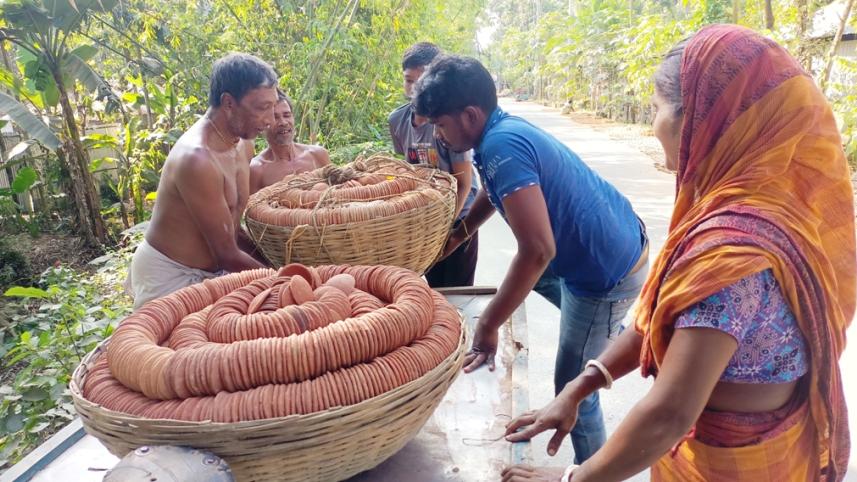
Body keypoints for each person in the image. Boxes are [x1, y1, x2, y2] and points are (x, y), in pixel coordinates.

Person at [502, 25, 854, 482]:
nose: (654, 125)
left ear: (700, 120)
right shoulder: (780, 212)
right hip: (768, 453)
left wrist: (573, 479)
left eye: (656, 109)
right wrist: (581, 385)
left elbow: (670, 413)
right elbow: (664, 319)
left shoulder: (729, 253)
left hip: (728, 468)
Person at [412, 55, 649, 463]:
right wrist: (460, 233)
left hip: (605, 272)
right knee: (532, 278)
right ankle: (613, 332)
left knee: (573, 388)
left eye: (441, 124)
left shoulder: (501, 146)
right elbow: (494, 190)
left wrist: (488, 326)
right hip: (617, 238)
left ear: (470, 116)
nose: (439, 134)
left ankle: (591, 471)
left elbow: (539, 251)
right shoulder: (497, 133)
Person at [127, 53, 278, 309]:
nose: (271, 119)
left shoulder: (244, 144)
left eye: (273, 107)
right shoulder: (198, 159)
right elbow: (227, 253)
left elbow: (232, 230)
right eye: (262, 108)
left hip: (218, 269)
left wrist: (277, 264)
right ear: (228, 103)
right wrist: (281, 278)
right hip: (170, 275)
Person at [388, 42, 479, 287]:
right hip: (424, 222)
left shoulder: (449, 122)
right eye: (408, 80)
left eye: (421, 81)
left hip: (458, 220)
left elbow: (463, 183)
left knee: (458, 293)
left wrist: (445, 229)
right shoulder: (397, 121)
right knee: (433, 290)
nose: (414, 89)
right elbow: (409, 169)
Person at [249, 89, 330, 194]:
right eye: (275, 117)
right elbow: (253, 204)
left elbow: (339, 191)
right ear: (261, 124)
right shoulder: (257, 170)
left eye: (287, 115)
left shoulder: (318, 155)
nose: (283, 122)